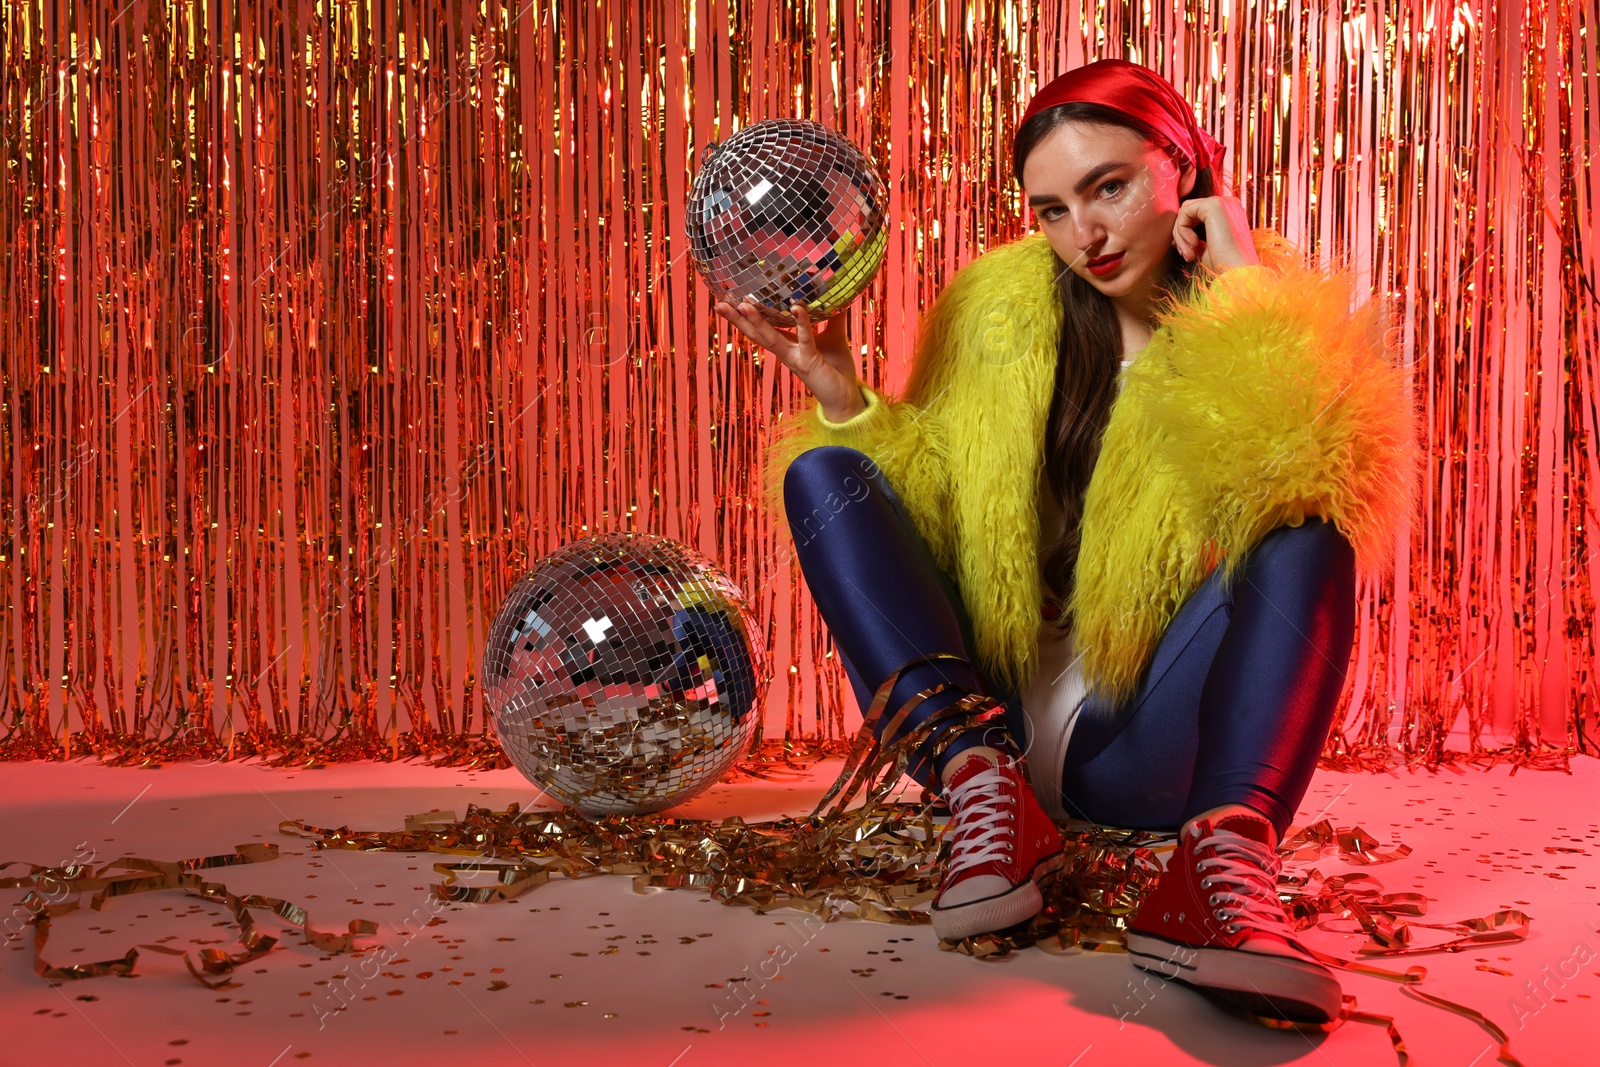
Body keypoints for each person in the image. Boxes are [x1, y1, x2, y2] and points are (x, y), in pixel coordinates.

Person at [714, 58, 1417, 1027]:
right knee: (821, 470)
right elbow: (935, 499)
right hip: (978, 708)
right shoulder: (997, 305)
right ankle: (983, 793)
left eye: (1108, 188)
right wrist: (838, 386)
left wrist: (1245, 293)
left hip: (1131, 741)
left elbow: (1306, 469)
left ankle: (1215, 868)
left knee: (1308, 521)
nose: (1080, 234)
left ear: (1184, 168)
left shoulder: (1258, 296)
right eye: (1050, 208)